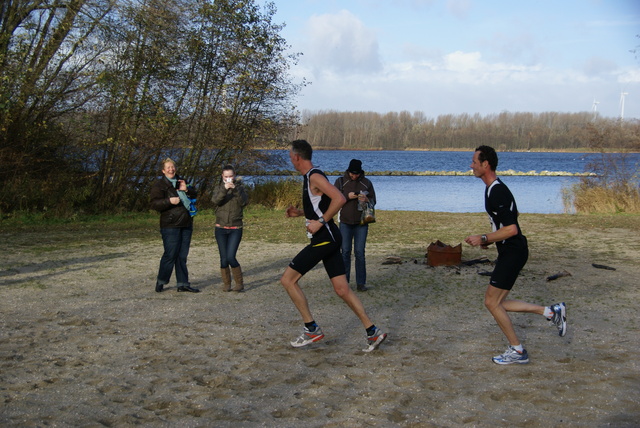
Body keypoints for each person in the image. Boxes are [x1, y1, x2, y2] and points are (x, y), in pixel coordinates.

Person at [280, 140, 387, 352]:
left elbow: (338, 198)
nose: (290, 159)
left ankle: (311, 329)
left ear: (296, 157)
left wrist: (320, 223)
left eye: (290, 156)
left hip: (325, 238)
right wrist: (301, 213)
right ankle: (372, 332)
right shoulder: (311, 177)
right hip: (330, 237)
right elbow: (324, 204)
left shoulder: (314, 176)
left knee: (288, 280)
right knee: (342, 289)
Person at [464, 145, 567, 365]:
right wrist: (492, 238)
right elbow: (512, 216)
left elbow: (512, 229)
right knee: (497, 302)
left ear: (485, 164)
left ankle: (517, 350)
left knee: (491, 302)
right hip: (511, 250)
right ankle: (551, 312)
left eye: (474, 162)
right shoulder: (492, 188)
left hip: (514, 251)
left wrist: (483, 238)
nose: (470, 165)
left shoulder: (497, 190)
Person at [150, 158, 200, 293]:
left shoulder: (182, 181)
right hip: (170, 224)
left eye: (173, 167)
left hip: (186, 222)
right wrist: (168, 201)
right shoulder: (159, 185)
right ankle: (161, 280)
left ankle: (183, 283)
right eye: (168, 167)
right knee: (170, 254)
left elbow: (195, 194)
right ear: (163, 170)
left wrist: (187, 190)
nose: (171, 169)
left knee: (182, 255)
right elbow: (154, 204)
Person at [334, 159, 376, 292]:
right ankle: (344, 283)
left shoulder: (367, 182)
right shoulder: (340, 182)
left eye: (357, 174)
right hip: (345, 222)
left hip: (361, 223)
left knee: (359, 253)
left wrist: (367, 199)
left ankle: (361, 283)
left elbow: (374, 201)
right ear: (349, 171)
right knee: (345, 252)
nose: (354, 176)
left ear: (360, 172)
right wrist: (347, 197)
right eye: (352, 174)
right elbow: (334, 199)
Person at [211, 165, 248, 292]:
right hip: (220, 227)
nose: (228, 179)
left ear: (234, 175)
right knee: (223, 259)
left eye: (230, 176)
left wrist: (235, 189)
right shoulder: (218, 188)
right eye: (226, 177)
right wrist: (224, 190)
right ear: (222, 177)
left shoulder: (240, 188)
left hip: (235, 227)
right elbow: (216, 201)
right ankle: (227, 284)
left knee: (231, 256)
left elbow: (244, 202)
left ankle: (239, 283)